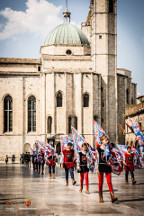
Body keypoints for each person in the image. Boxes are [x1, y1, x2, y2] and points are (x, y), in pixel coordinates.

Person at [95, 135, 118, 203]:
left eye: (107, 140)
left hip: (107, 166)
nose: (107, 141)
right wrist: (96, 168)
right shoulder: (98, 149)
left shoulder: (109, 149)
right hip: (101, 166)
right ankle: (100, 196)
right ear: (102, 141)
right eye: (106, 140)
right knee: (100, 182)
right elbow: (97, 159)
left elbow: (112, 157)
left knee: (109, 182)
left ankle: (112, 196)